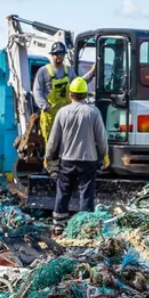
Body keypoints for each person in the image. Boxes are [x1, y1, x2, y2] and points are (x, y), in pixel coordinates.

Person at [44, 77, 108, 222]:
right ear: (86, 95)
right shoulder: (93, 112)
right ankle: (85, 225)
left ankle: (59, 223)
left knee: (64, 191)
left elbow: (53, 138)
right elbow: (101, 138)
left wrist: (48, 156)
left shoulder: (62, 112)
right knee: (86, 193)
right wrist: (105, 155)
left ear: (70, 94)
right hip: (88, 160)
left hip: (67, 160)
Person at [34, 42, 73, 139]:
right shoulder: (43, 71)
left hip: (67, 114)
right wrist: (45, 106)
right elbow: (37, 90)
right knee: (51, 142)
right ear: (52, 55)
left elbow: (79, 84)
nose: (59, 56)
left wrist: (92, 73)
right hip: (51, 115)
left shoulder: (69, 71)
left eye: (61, 54)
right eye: (56, 54)